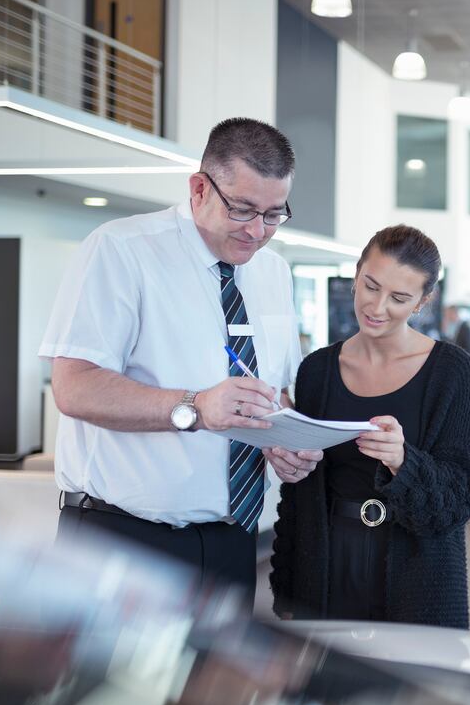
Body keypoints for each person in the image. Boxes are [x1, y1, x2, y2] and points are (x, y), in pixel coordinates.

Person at [41, 118, 324, 598]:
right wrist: (195, 407)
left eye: (274, 214)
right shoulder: (121, 250)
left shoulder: (273, 273)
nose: (257, 231)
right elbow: (74, 386)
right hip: (124, 539)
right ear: (198, 189)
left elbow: (275, 390)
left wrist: (287, 441)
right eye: (242, 209)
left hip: (233, 540)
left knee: (217, 676)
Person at [269, 225, 470, 627]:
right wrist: (288, 588)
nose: (378, 307)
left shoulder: (450, 372)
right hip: (327, 561)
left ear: (423, 302)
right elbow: (300, 496)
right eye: (371, 286)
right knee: (325, 682)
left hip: (416, 570)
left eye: (399, 298)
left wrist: (404, 462)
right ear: (355, 276)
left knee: (408, 684)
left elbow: (461, 495)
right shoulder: (317, 369)